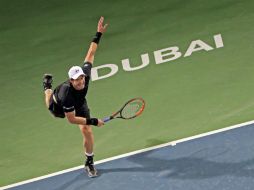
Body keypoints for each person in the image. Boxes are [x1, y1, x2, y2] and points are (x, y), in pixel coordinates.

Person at [42, 17, 108, 178]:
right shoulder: (66, 95)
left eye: (82, 78)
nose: (81, 81)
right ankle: (47, 87)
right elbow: (71, 119)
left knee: (87, 131)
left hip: (79, 103)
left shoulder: (85, 75)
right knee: (49, 105)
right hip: (60, 105)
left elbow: (91, 53)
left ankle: (89, 161)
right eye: (77, 80)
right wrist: (93, 120)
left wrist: (98, 33)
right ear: (71, 81)